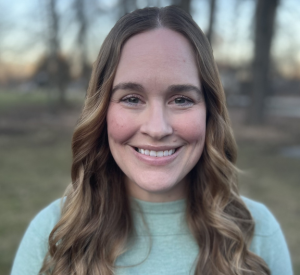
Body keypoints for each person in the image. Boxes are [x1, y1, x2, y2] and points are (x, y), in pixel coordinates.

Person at [11, 6, 293, 275]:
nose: (157, 129)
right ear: (102, 112)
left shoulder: (258, 232)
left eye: (181, 99)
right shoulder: (54, 234)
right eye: (132, 99)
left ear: (209, 111)